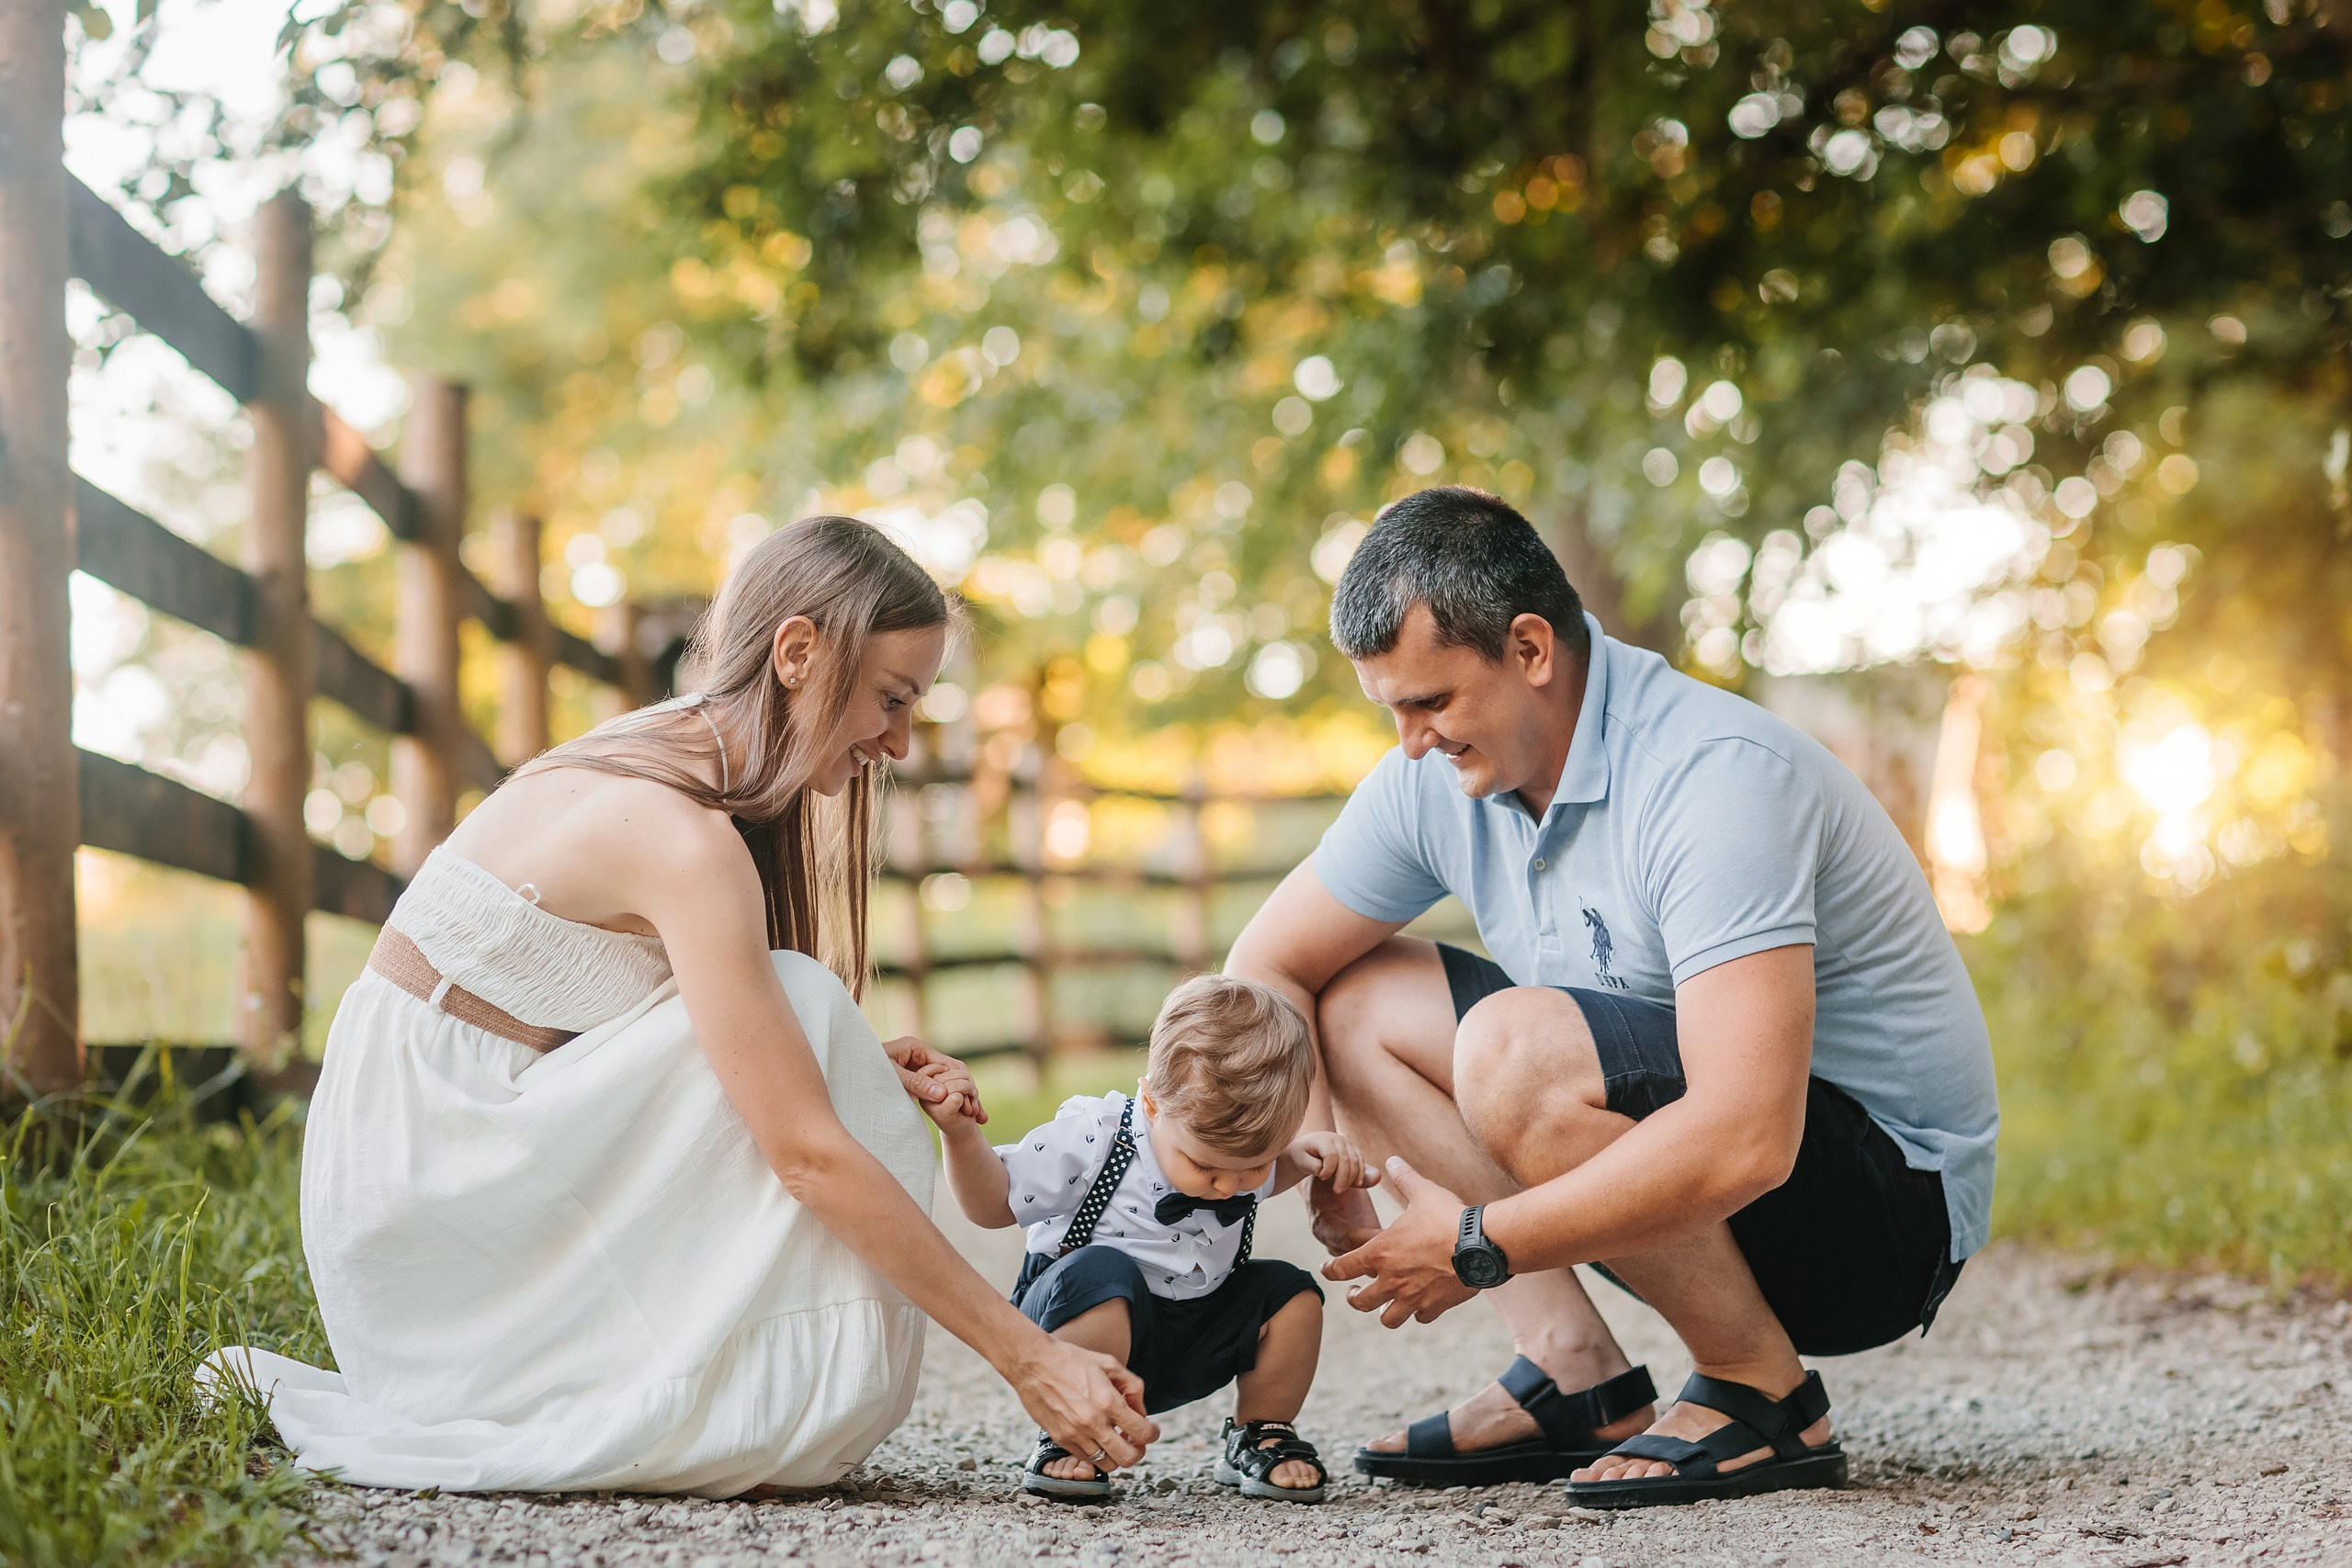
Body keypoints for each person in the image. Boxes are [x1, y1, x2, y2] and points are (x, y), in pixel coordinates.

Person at [202, 516, 1155, 1495]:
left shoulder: (665, 760)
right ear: (797, 652)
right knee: (807, 1014)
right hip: (425, 1207)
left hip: (432, 1173)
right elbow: (805, 1153)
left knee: (813, 1026)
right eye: (891, 699)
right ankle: (732, 1401)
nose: (899, 742)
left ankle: (731, 1392)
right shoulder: (680, 836)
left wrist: (837, 1064)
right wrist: (1029, 1357)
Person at [1225, 487, 1998, 1509]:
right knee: (1352, 1000)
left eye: (1432, 702)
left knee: (1515, 1050)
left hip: (1878, 1221)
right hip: (1712, 1166)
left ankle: (1760, 1392)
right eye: (1393, 710)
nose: (1411, 741)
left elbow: (1750, 1137)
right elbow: (1265, 967)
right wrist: (1322, 1149)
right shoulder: (1437, 777)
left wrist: (1478, 1243)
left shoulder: (1712, 777)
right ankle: (1574, 1375)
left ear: (1531, 649)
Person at [935, 975, 1376, 1503]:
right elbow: (990, 1205)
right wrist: (961, 1137)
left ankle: (1261, 1432)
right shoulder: (1095, 1137)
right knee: (1102, 1272)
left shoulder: (1239, 1161)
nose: (1228, 1187)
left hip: (1191, 1334)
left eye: (1253, 1168)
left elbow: (1264, 1168)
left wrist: (1302, 1157)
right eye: (1205, 1166)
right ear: (1150, 1103)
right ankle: (1072, 1430)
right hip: (1077, 1321)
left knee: (1293, 1293)